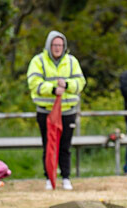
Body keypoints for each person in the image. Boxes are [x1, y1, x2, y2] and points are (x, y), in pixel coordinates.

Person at [27, 30, 86, 190]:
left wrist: (67, 85)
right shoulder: (38, 61)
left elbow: (80, 82)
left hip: (68, 111)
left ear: (64, 46)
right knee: (48, 145)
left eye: (60, 45)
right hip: (46, 111)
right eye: (54, 45)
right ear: (49, 45)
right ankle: (49, 178)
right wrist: (52, 89)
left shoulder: (72, 61)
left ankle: (66, 177)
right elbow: (33, 82)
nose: (57, 48)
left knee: (65, 146)